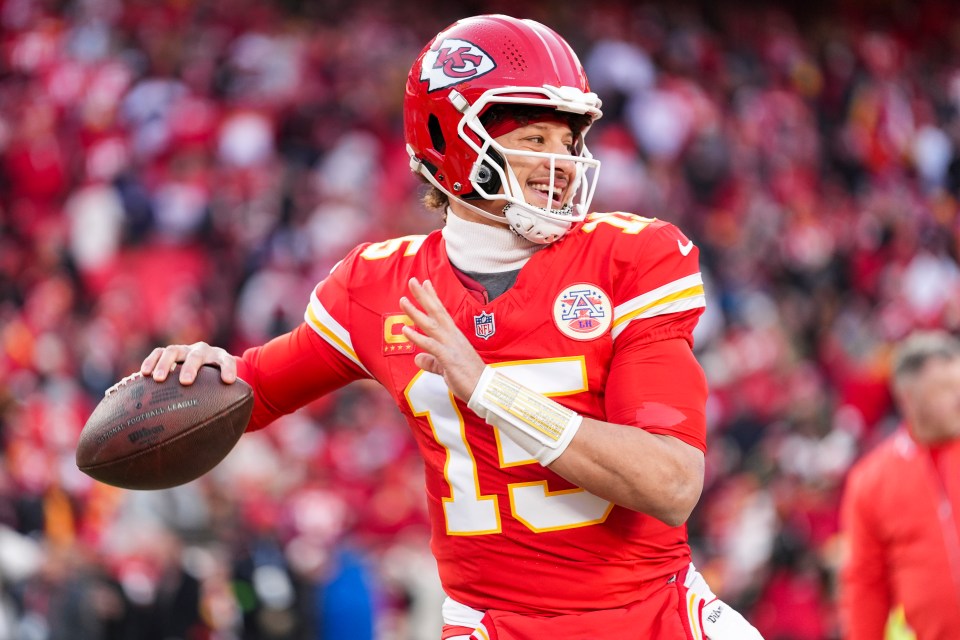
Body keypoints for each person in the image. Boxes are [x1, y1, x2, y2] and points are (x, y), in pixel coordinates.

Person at [139, 14, 763, 639]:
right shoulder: (377, 285)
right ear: (453, 141)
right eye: (535, 139)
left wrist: (489, 389)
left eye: (567, 142)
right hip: (495, 626)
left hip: (654, 613)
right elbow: (254, 392)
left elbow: (671, 482)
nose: (563, 164)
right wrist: (199, 370)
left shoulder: (631, 257)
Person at [839, 330, 960, 639]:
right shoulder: (871, 480)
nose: (958, 398)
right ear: (908, 398)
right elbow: (866, 583)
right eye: (943, 390)